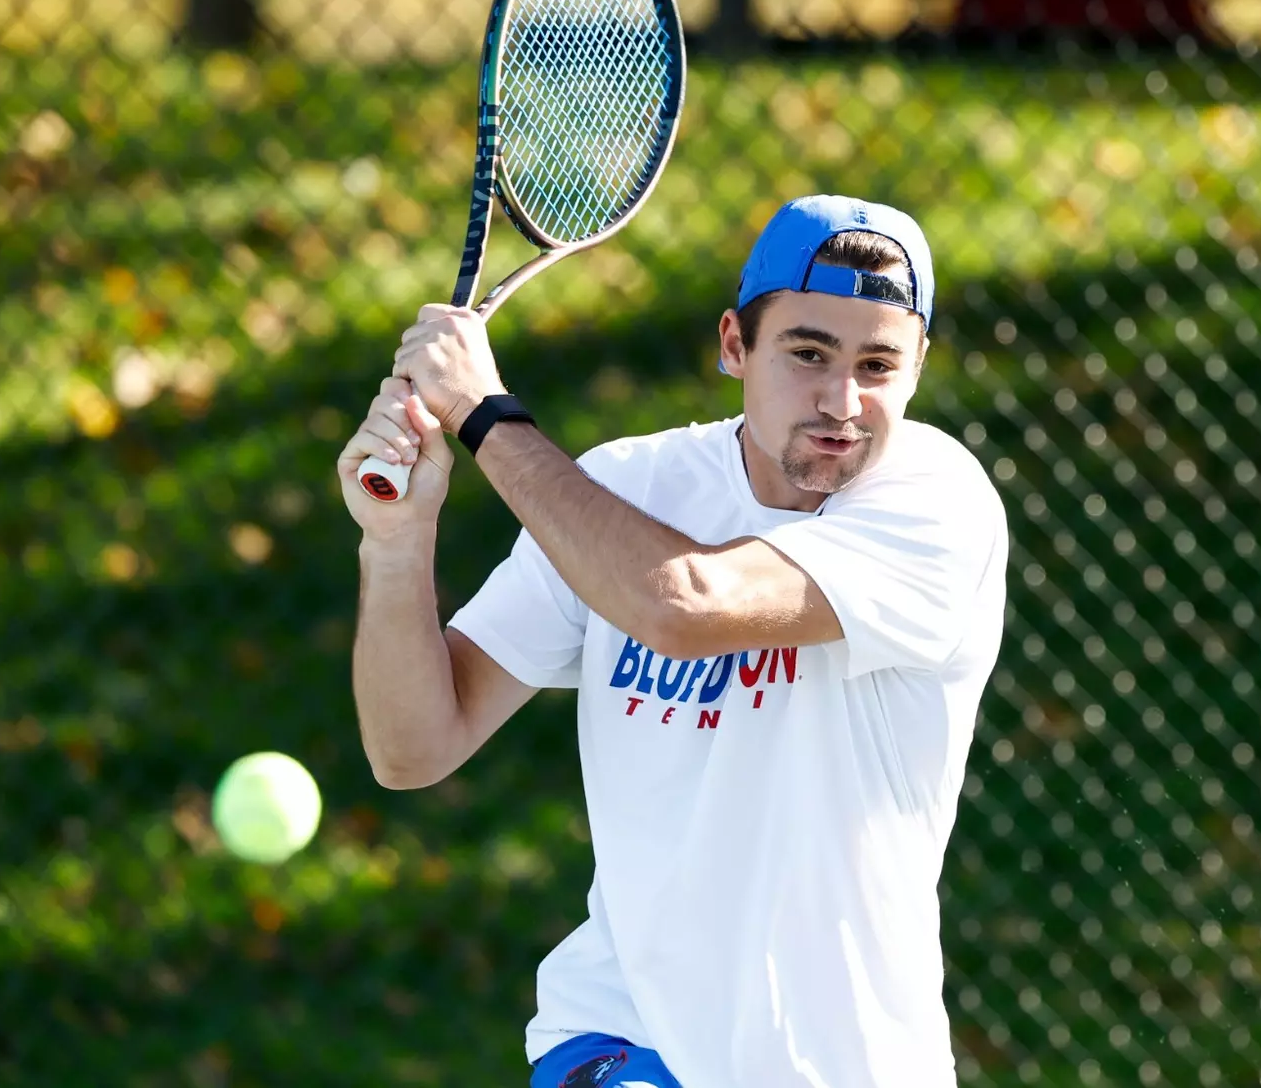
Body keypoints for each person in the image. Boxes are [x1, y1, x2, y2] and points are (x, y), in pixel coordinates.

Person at [338, 195, 1009, 1087]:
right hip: (620, 1037)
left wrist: (483, 415)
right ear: (734, 344)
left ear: (918, 367)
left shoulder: (937, 505)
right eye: (807, 354)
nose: (841, 401)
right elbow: (413, 747)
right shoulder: (626, 489)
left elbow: (683, 607)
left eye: (877, 364)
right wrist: (395, 544)